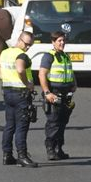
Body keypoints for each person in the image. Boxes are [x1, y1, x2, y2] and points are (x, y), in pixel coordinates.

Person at [0, 26, 38, 167]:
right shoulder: (21, 55)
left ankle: (7, 155)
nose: (27, 47)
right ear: (19, 40)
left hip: (8, 92)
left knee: (9, 125)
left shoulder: (5, 53)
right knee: (21, 126)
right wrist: (27, 84)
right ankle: (22, 156)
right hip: (21, 93)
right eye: (26, 44)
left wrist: (4, 77)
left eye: (30, 45)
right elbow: (20, 69)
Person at [35, 29, 77, 160]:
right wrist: (47, 92)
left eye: (64, 40)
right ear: (53, 42)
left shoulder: (65, 56)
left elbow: (70, 71)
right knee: (53, 122)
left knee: (63, 122)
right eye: (59, 40)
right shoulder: (49, 56)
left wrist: (74, 83)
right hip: (54, 93)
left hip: (66, 94)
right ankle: (50, 149)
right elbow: (42, 74)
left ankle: (59, 149)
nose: (62, 43)